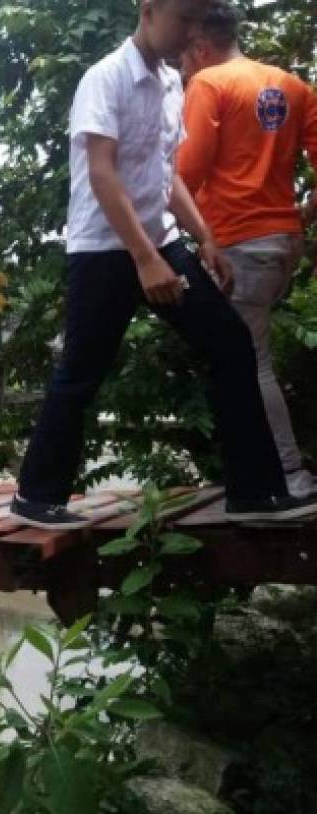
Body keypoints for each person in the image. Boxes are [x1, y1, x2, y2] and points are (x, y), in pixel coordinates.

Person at [11, 0, 317, 528]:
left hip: (163, 243)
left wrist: (205, 237)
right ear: (148, 10)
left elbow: (166, 174)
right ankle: (36, 496)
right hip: (107, 249)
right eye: (183, 19)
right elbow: (103, 175)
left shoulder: (174, 83)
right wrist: (145, 258)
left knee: (231, 343)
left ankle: (254, 490)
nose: (191, 33)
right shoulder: (105, 78)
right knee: (82, 372)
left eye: (198, 21)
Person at [178, 0, 317, 498]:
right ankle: (264, 469)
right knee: (250, 356)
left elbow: (184, 175)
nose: (181, 64)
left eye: (184, 54)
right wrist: (301, 215)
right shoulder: (292, 85)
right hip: (282, 243)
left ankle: (287, 475)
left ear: (200, 46)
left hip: (238, 243)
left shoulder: (210, 84)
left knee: (250, 361)